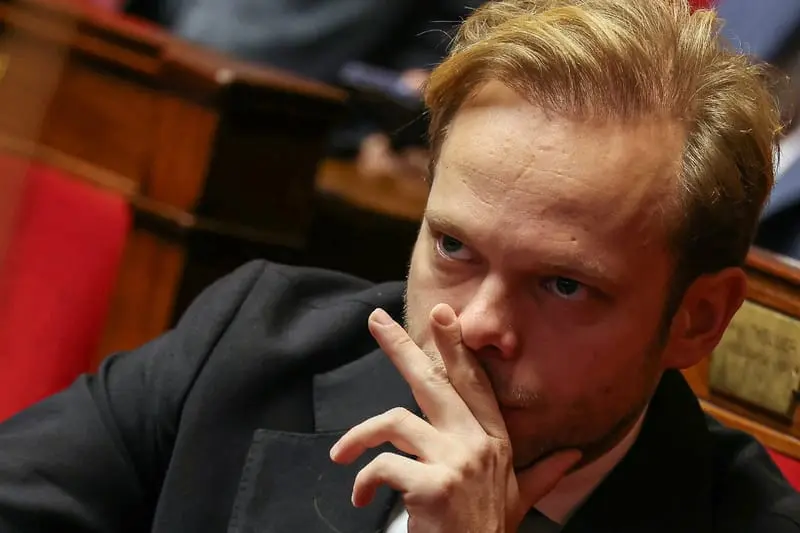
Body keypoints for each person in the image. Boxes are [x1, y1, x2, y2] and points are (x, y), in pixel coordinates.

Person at [1, 0, 798, 531]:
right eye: (454, 247)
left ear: (697, 319)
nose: (476, 324)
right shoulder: (251, 347)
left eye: (564, 285)